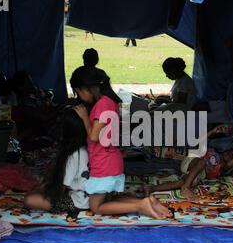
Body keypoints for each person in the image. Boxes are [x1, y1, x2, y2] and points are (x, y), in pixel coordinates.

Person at [70, 66, 172, 219]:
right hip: (112, 159)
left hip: (103, 162)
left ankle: (140, 205)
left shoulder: (101, 105)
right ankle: (147, 201)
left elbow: (94, 137)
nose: (79, 95)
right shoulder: (110, 102)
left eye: (78, 91)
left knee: (96, 206)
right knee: (110, 199)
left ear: (87, 88)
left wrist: (84, 116)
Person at [145, 125, 233, 200]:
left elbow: (232, 162)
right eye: (229, 152)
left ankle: (152, 188)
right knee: (201, 162)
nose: (230, 155)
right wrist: (213, 131)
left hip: (198, 174)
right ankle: (186, 188)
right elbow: (201, 142)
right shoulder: (212, 152)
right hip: (192, 161)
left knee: (180, 183)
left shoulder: (223, 166)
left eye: (232, 156)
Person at [24, 109, 90, 215]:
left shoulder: (74, 155)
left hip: (80, 203)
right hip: (95, 199)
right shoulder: (89, 149)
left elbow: (62, 188)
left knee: (29, 199)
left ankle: (42, 187)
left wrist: (45, 187)